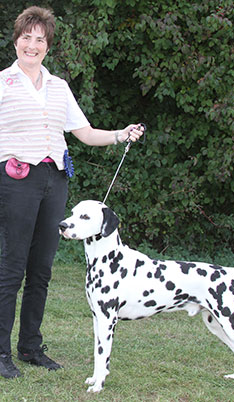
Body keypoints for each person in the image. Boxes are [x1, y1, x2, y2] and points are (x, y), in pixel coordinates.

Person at [0, 6, 144, 379]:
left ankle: (30, 347)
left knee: (42, 270)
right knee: (11, 268)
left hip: (55, 180)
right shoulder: (3, 82)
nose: (32, 45)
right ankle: (0, 353)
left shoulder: (59, 86)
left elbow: (84, 132)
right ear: (16, 40)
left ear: (47, 46)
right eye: (26, 37)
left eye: (40, 39)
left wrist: (119, 134)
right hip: (15, 181)